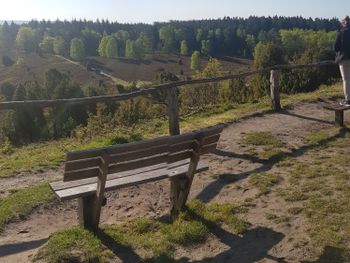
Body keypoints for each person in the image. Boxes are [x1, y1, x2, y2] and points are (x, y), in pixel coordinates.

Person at [334, 16, 350, 106]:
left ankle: (348, 100)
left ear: (344, 23)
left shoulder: (341, 32)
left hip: (344, 58)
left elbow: (336, 47)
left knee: (346, 79)